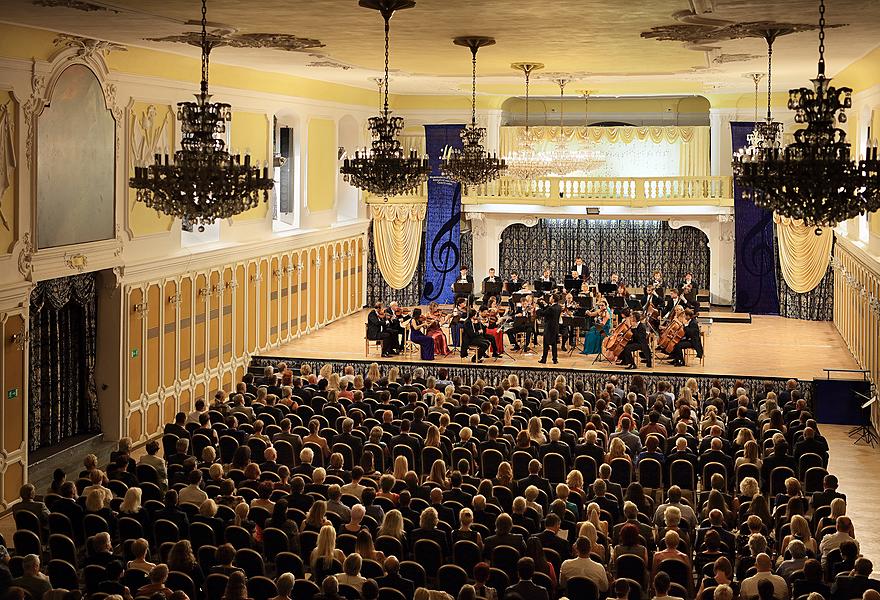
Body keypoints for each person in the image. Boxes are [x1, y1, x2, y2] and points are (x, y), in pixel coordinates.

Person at [537, 294, 563, 365]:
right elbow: (549, 310)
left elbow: (543, 313)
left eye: (551, 297)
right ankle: (555, 359)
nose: (549, 298)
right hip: (555, 328)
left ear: (553, 299)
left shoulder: (551, 308)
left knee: (545, 344)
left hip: (549, 328)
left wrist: (537, 309)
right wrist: (546, 305)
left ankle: (544, 359)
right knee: (554, 345)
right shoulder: (559, 307)